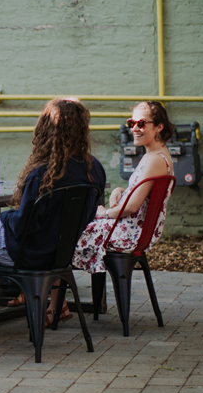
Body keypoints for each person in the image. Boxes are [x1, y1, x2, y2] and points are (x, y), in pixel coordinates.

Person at [0, 98, 106, 347]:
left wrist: (6, 216)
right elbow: (90, 213)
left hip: (27, 253)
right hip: (60, 256)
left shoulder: (42, 173)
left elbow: (21, 228)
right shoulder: (93, 168)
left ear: (45, 129)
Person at [72, 101, 175, 276]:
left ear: (159, 127)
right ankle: (57, 298)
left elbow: (131, 207)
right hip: (132, 229)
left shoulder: (155, 160)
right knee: (68, 229)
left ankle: (52, 297)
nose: (134, 128)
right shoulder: (154, 155)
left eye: (141, 123)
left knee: (66, 234)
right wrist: (119, 190)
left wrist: (103, 213)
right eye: (131, 123)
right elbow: (142, 192)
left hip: (129, 233)